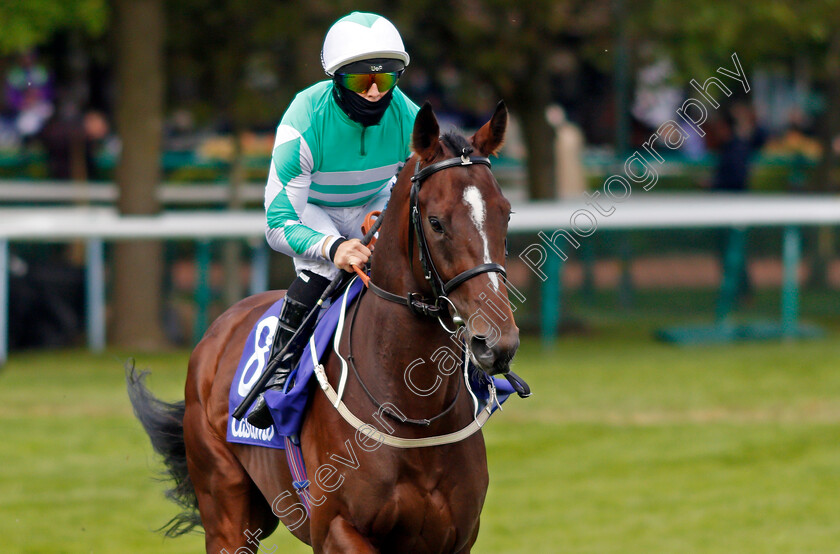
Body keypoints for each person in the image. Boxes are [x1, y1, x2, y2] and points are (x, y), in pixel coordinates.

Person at [248, 12, 420, 428]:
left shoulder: (410, 117)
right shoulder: (304, 119)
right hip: (311, 208)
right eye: (362, 81)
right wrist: (334, 246)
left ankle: (469, 370)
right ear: (336, 79)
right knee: (325, 270)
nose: (377, 92)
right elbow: (278, 223)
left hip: (373, 204)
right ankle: (278, 378)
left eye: (387, 79)